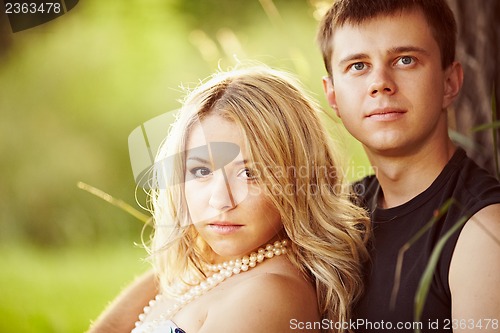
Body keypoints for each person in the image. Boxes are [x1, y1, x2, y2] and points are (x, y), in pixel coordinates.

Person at [88, 66, 370, 332]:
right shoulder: (205, 270)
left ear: (299, 182)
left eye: (250, 173)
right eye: (201, 170)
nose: (220, 200)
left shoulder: (268, 294)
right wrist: (182, 261)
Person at [317, 0, 500, 332]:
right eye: (358, 66)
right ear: (332, 96)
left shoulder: (485, 231)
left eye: (405, 60)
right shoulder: (338, 218)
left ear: (450, 82)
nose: (381, 83)